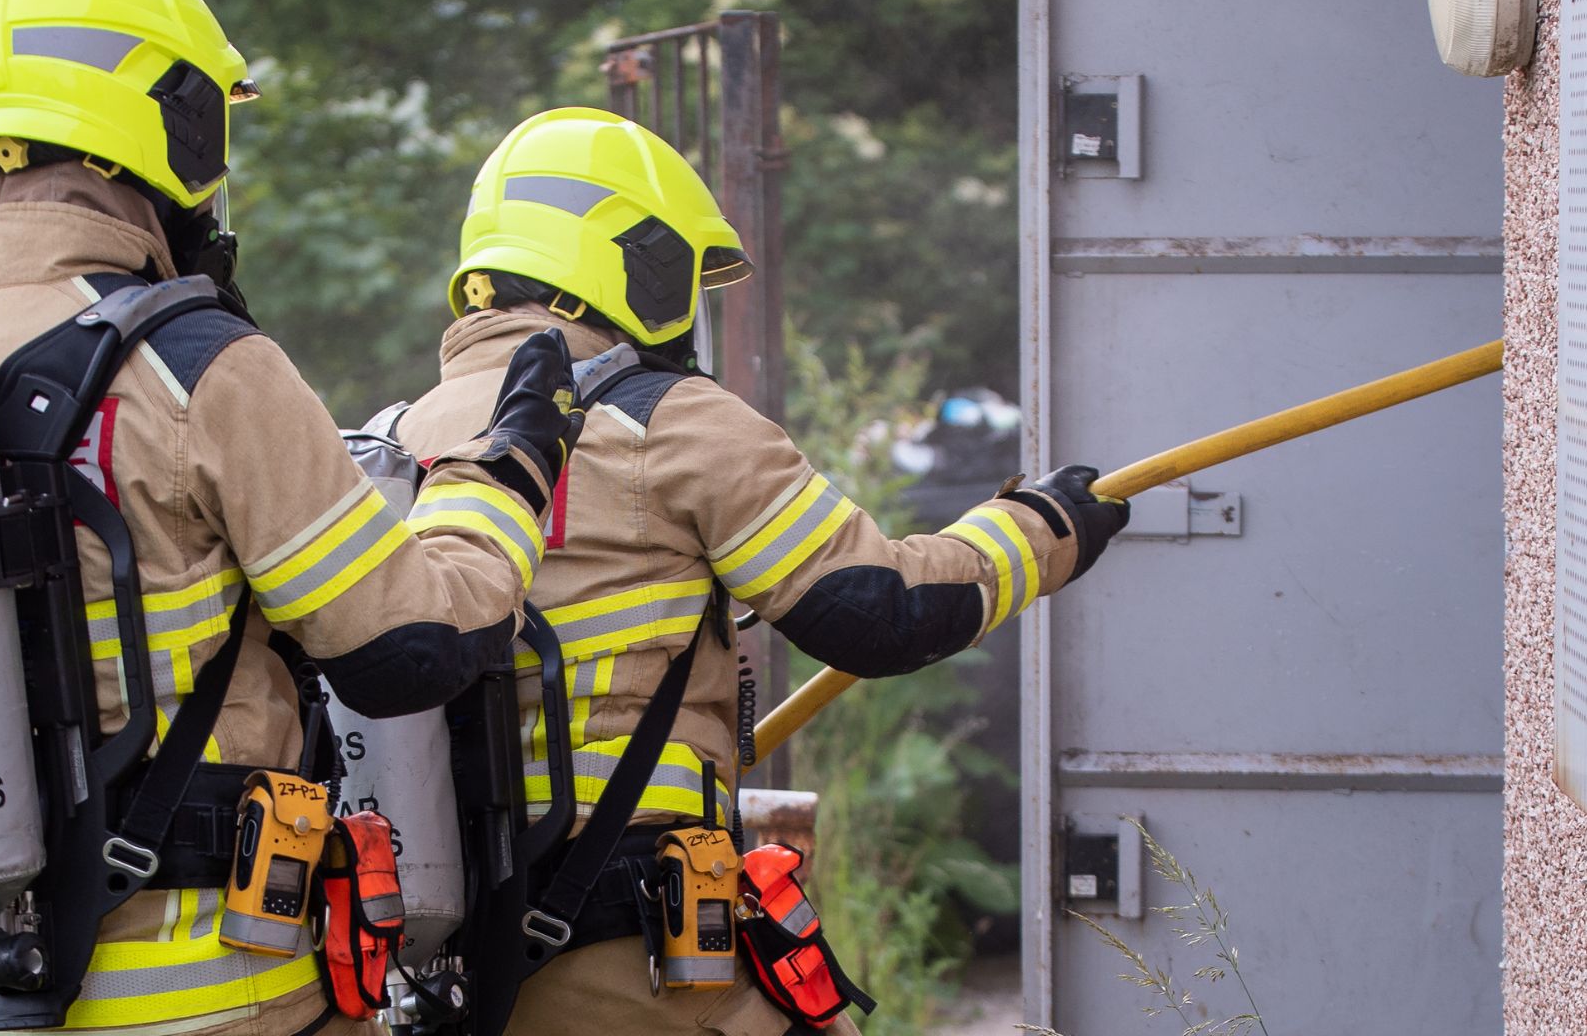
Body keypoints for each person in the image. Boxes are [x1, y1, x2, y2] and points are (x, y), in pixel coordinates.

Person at [0, 0, 579, 1036]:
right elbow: (401, 647)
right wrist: (504, 479)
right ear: (158, 122)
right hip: (203, 993)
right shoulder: (194, 362)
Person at [393, 107, 1130, 1036]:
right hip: (635, 960)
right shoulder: (665, 418)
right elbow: (877, 609)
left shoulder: (397, 439)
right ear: (629, 263)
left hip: (448, 964)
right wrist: (1043, 531)